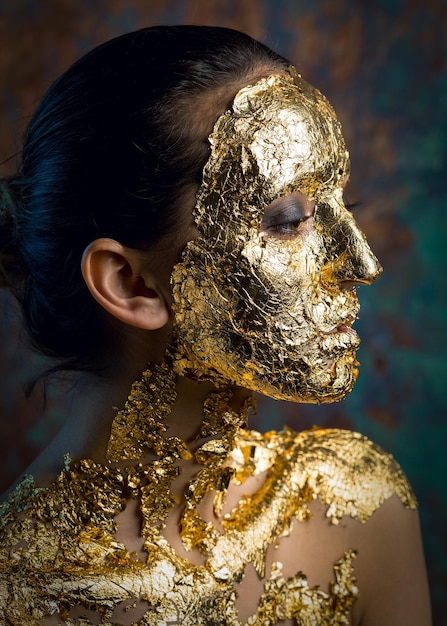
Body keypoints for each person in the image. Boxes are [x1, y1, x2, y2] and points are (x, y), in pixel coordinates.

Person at [0, 25, 431, 626]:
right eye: (286, 220)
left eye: (341, 204)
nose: (362, 263)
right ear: (133, 284)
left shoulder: (355, 501)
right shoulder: (15, 590)